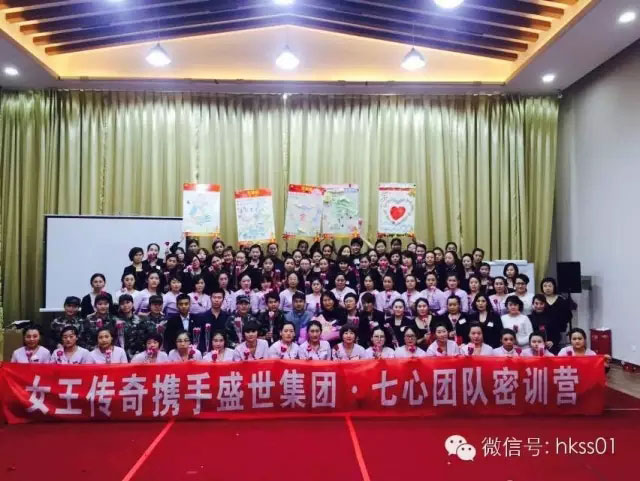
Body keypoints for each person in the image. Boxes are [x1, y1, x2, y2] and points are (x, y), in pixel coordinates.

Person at [541, 277, 573, 342]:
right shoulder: (540, 300)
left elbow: (568, 315)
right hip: (543, 332)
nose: (547, 288)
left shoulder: (561, 300)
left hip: (560, 331)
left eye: (550, 286)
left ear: (554, 287)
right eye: (545, 286)